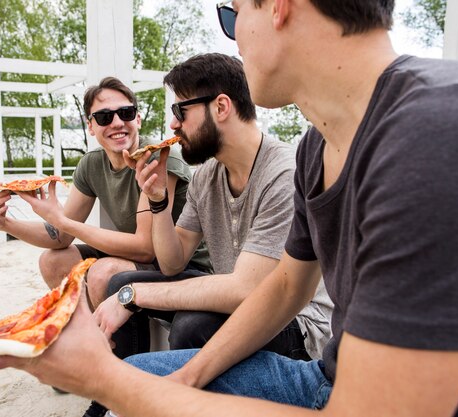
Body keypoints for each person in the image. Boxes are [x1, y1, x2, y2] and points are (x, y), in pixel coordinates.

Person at [0, 1, 458, 416]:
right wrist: (186, 379)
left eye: (232, 13)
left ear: (277, 6)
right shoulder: (317, 147)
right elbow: (285, 288)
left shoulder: (441, 129)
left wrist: (103, 374)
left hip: (344, 390)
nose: (235, 35)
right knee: (141, 387)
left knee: (141, 376)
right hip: (330, 376)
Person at [85, 52, 331, 417]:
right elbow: (171, 262)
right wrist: (158, 203)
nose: (171, 124)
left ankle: (174, 402)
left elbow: (247, 290)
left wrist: (133, 295)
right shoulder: (206, 176)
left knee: (191, 323)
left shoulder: (284, 173)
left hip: (298, 326)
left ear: (220, 107)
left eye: (180, 111)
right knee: (120, 278)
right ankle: (114, 398)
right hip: (234, 297)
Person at [0, 76, 210, 309]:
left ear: (138, 119)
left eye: (126, 113)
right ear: (90, 126)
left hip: (183, 264)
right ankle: (90, 331)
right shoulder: (91, 165)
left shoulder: (158, 158)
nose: (117, 123)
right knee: (53, 261)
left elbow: (144, 249)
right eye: (104, 117)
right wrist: (5, 224)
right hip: (141, 258)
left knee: (103, 272)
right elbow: (61, 236)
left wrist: (61, 221)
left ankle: (111, 344)